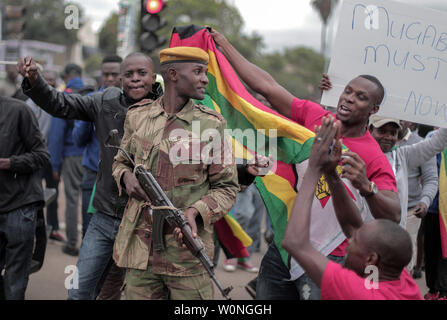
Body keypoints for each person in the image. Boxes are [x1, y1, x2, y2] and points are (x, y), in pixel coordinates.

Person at [210, 29, 399, 300]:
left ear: (374, 109)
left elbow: (392, 213)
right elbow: (268, 87)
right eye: (348, 92)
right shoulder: (316, 117)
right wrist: (224, 45)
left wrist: (367, 187)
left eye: (361, 97)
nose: (348, 99)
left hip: (330, 255)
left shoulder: (373, 156)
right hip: (285, 246)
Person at [17, 52, 163, 300]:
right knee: (78, 291)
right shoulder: (104, 100)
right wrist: (36, 80)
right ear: (120, 78)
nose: (135, 79)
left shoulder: (169, 108)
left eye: (142, 73)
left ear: (153, 76)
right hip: (105, 217)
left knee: (142, 294)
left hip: (147, 222)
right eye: (129, 74)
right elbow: (60, 104)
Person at [112, 46, 239, 300]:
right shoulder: (138, 116)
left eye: (205, 72)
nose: (205, 78)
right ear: (172, 74)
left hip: (188, 254)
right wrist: (126, 178)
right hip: (140, 252)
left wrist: (195, 212)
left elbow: (227, 187)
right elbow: (120, 162)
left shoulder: (211, 124)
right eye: (198, 72)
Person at [282, 115, 422, 300]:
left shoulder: (357, 291)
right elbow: (352, 227)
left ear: (371, 260)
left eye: (353, 243)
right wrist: (331, 174)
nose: (347, 245)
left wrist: (314, 168)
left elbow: (294, 243)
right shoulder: (401, 280)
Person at [0, 96, 50, 299]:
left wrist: (10, 163)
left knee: (15, 279)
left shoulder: (18, 110)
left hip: (20, 204)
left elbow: (42, 155)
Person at [72, 55, 123, 239]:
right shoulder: (91, 100)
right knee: (90, 233)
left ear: (122, 75)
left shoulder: (132, 102)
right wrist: (90, 116)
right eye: (106, 74)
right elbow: (78, 140)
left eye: (114, 74)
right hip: (93, 175)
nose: (109, 78)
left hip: (122, 181)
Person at [49, 63, 86, 256]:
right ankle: (90, 244)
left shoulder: (65, 95)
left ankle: (72, 243)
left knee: (72, 199)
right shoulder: (92, 93)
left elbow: (56, 135)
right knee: (90, 200)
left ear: (67, 76)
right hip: (91, 155)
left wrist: (54, 164)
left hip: (71, 155)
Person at [25, 69, 65, 242]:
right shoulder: (29, 103)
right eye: (45, 79)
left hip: (52, 157)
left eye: (51, 79)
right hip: (34, 156)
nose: (48, 82)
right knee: (33, 194)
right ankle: (31, 229)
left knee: (53, 194)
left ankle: (54, 228)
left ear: (56, 82)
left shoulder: (58, 102)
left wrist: (56, 162)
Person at [397, 121, 438, 277]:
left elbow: (431, 178)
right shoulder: (379, 140)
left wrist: (425, 201)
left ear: (411, 120)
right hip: (378, 208)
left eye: (404, 116)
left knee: (405, 256)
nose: (400, 120)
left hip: (410, 211)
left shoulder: (421, 145)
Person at [422, 128, 447, 300]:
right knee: (431, 248)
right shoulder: (433, 138)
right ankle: (433, 289)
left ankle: (443, 290)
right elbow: (426, 171)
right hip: (433, 206)